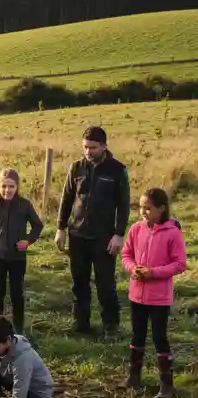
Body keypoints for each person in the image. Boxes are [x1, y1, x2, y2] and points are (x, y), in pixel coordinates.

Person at [56, 126, 130, 336]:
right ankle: (81, 324)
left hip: (104, 237)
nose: (88, 151)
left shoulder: (117, 170)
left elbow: (124, 205)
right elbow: (67, 198)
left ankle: (111, 326)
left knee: (105, 284)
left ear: (104, 146)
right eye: (85, 147)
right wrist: (60, 228)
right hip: (77, 234)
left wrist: (118, 234)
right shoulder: (76, 168)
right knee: (79, 282)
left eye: (93, 147)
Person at [120, 187, 187, 398]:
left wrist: (154, 273)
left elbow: (180, 264)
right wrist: (133, 269)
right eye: (141, 207)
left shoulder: (172, 233)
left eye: (148, 208)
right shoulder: (136, 229)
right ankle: (133, 378)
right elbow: (126, 255)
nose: (143, 211)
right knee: (137, 335)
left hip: (159, 297)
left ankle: (167, 386)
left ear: (161, 208)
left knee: (159, 338)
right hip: (137, 294)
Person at [0, 168, 43, 335]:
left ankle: (18, 329)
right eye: (4, 186)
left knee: (17, 293)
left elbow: (38, 225)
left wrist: (28, 240)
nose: (7, 190)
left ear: (17, 187)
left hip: (17, 258)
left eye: (11, 186)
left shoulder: (24, 205)